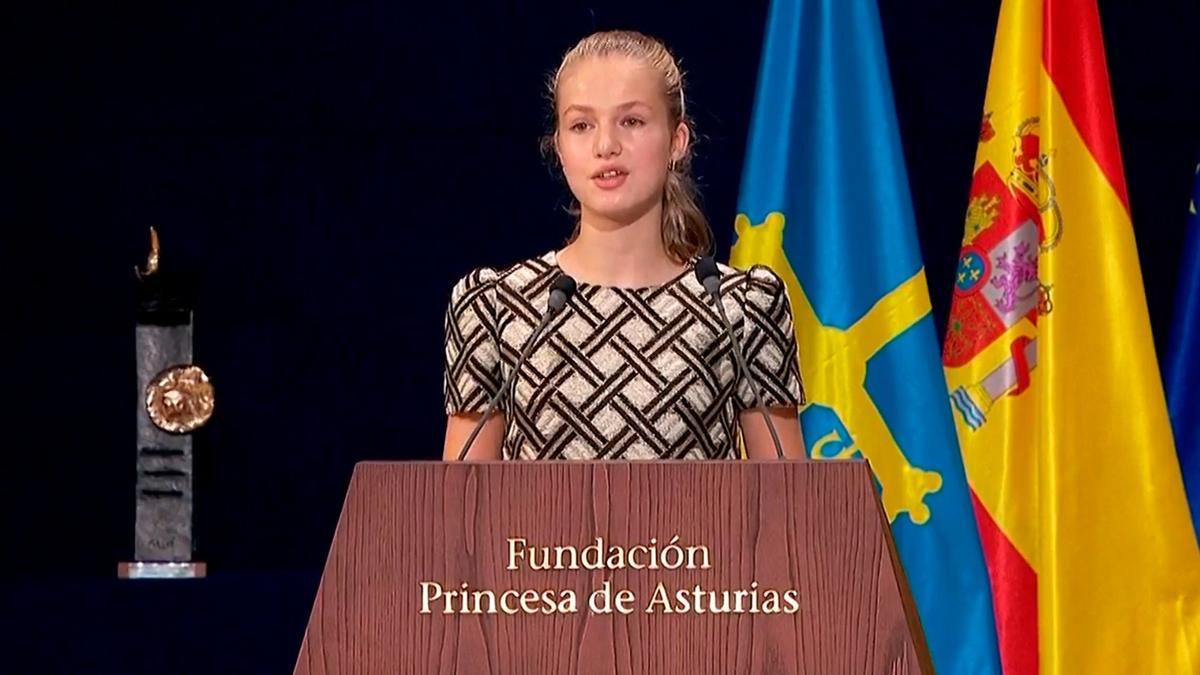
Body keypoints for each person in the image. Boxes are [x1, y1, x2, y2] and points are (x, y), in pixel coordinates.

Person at [442, 30, 805, 461]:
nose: (606, 146)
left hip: (695, 533)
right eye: (581, 125)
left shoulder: (741, 307)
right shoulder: (495, 305)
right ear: (559, 147)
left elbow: (789, 506)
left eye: (631, 121)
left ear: (677, 140)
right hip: (539, 534)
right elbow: (459, 509)